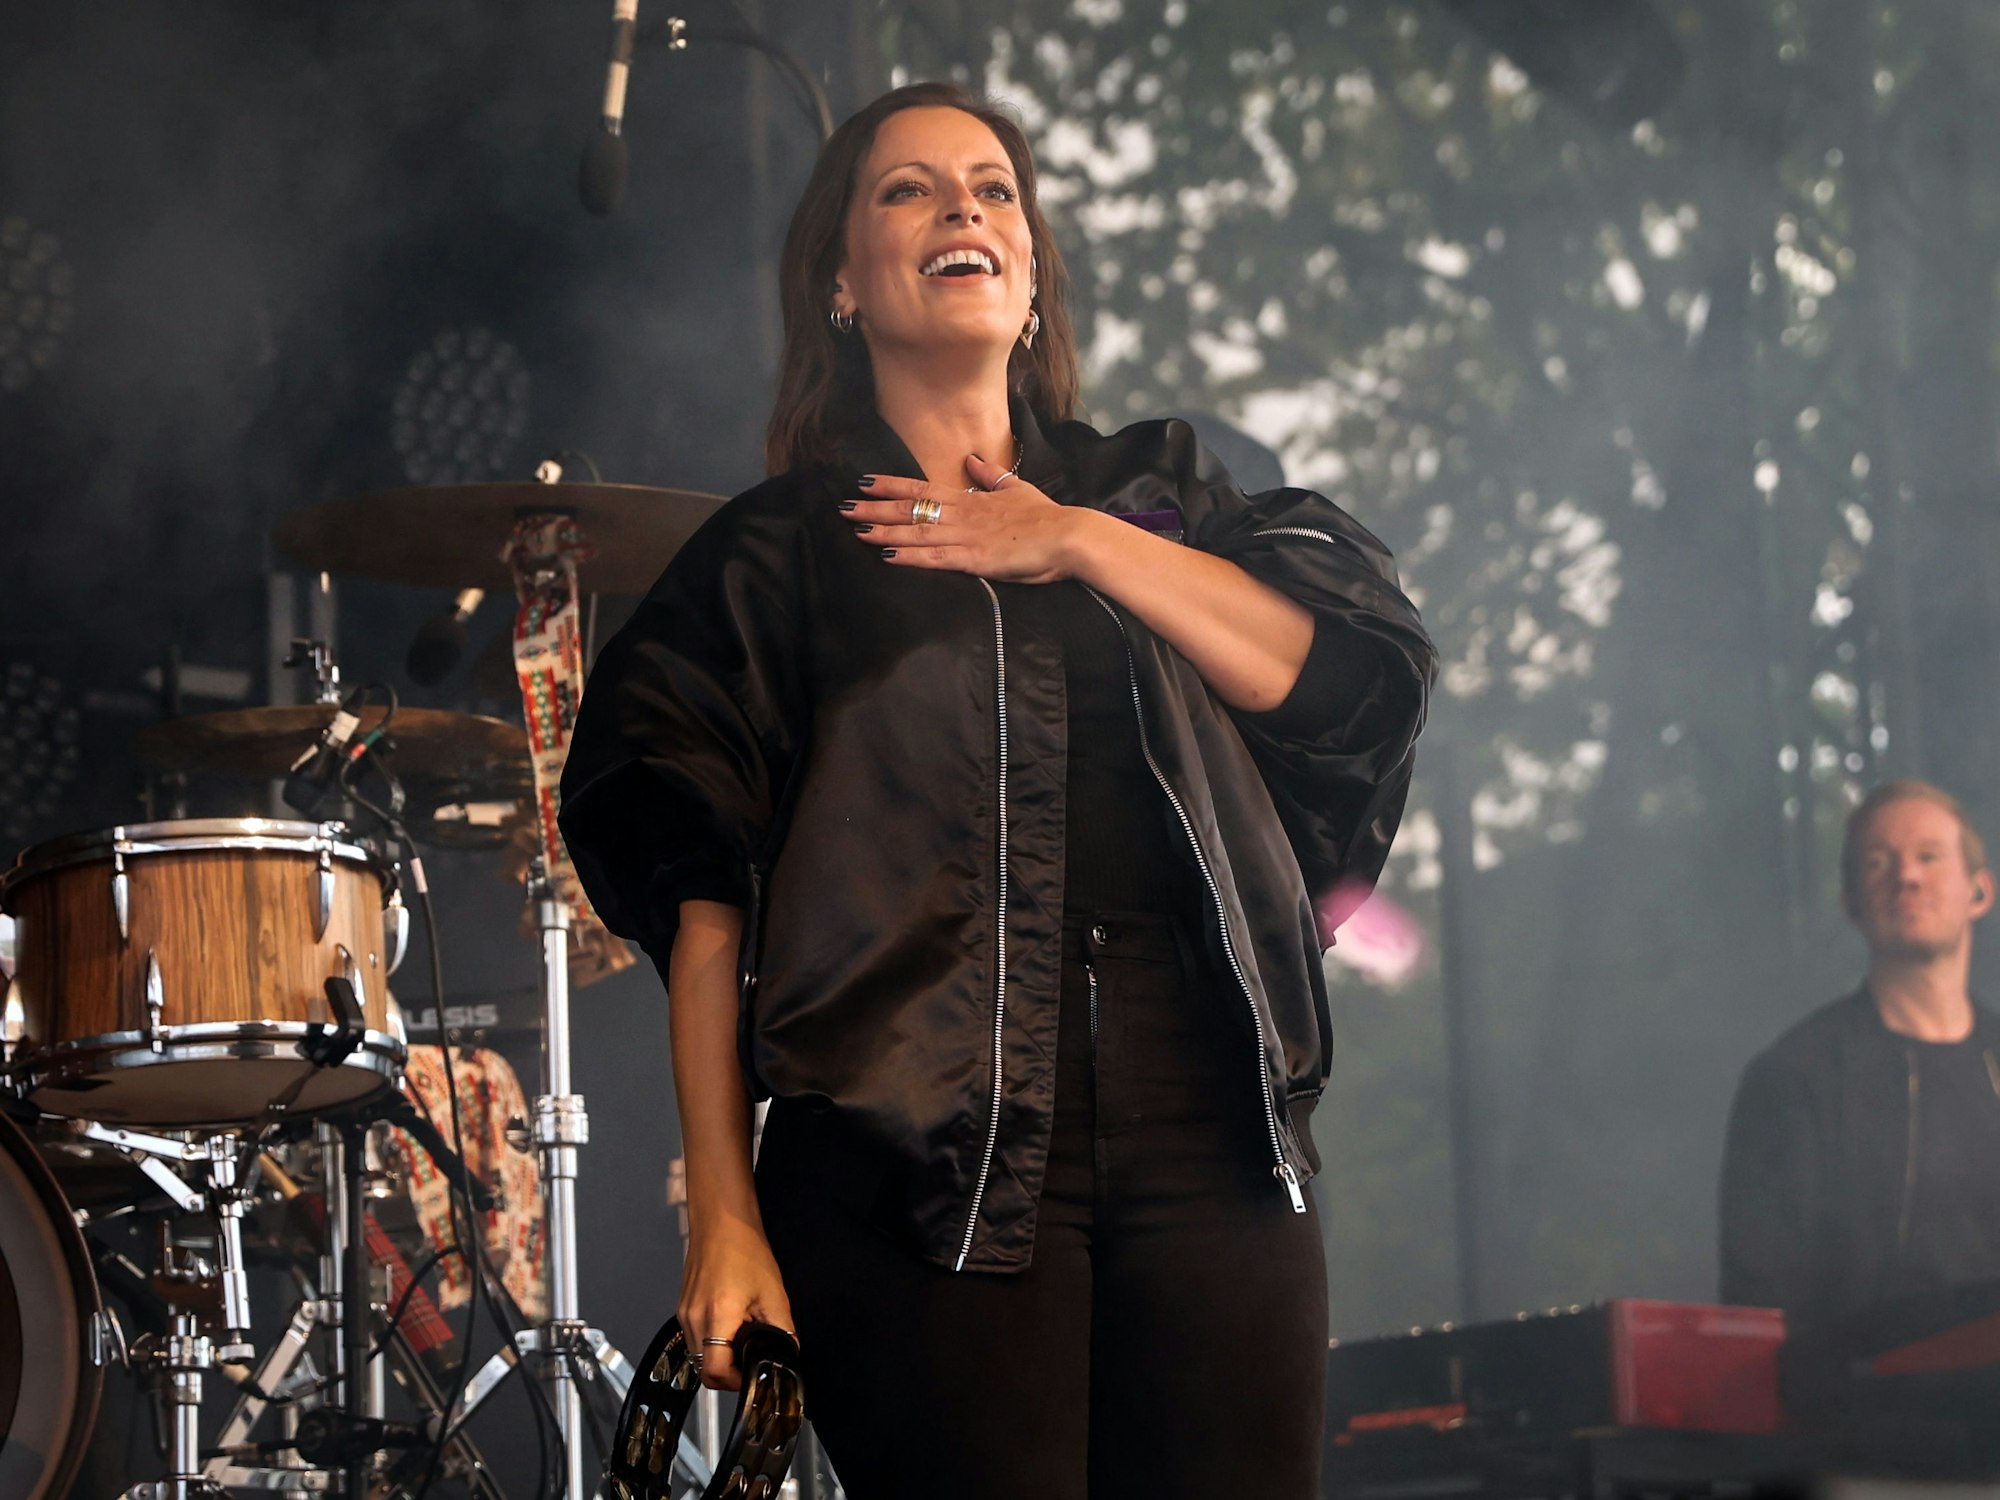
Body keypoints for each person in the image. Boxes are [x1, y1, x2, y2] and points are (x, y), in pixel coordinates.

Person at [559, 82, 1434, 1498]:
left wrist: (1071, 540)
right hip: (911, 1154)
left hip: (1211, 1130)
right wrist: (722, 1211)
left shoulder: (1164, 495)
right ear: (841, 282)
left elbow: (1338, 680)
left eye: (993, 188)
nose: (963, 206)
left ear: (1031, 277)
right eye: (908, 189)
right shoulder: (778, 553)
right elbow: (698, 895)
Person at [1719, 780, 2000, 1326]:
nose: (1907, 875)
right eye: (1878, 862)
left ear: (1980, 892)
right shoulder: (1794, 1080)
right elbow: (1761, 1308)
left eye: (1929, 856)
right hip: (1865, 1404)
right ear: (1850, 901)